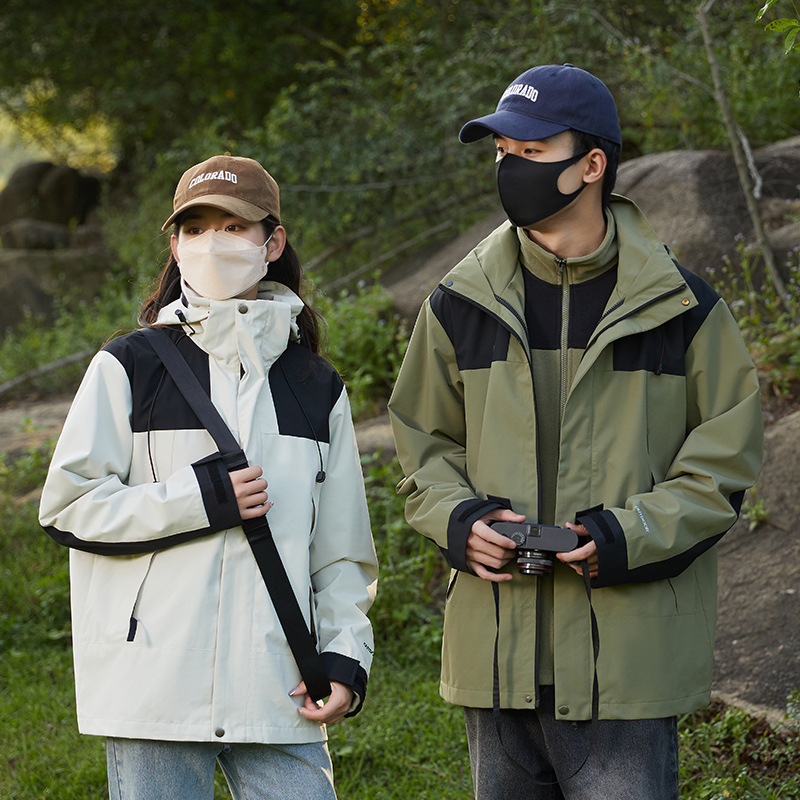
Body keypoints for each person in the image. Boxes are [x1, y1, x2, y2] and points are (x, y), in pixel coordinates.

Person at [388, 64, 763, 799]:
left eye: (530, 151)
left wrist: (627, 536)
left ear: (592, 164)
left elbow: (724, 467)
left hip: (626, 664)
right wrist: (461, 521)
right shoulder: (457, 304)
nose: (508, 167)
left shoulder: (684, 308)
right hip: (497, 660)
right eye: (501, 152)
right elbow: (422, 449)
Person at [39, 154, 378, 800]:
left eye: (233, 226)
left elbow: (342, 552)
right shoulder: (129, 367)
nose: (211, 244)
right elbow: (68, 506)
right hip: (154, 687)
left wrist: (344, 657)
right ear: (174, 243)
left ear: (271, 243)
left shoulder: (316, 387)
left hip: (279, 682)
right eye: (194, 229)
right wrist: (199, 499)